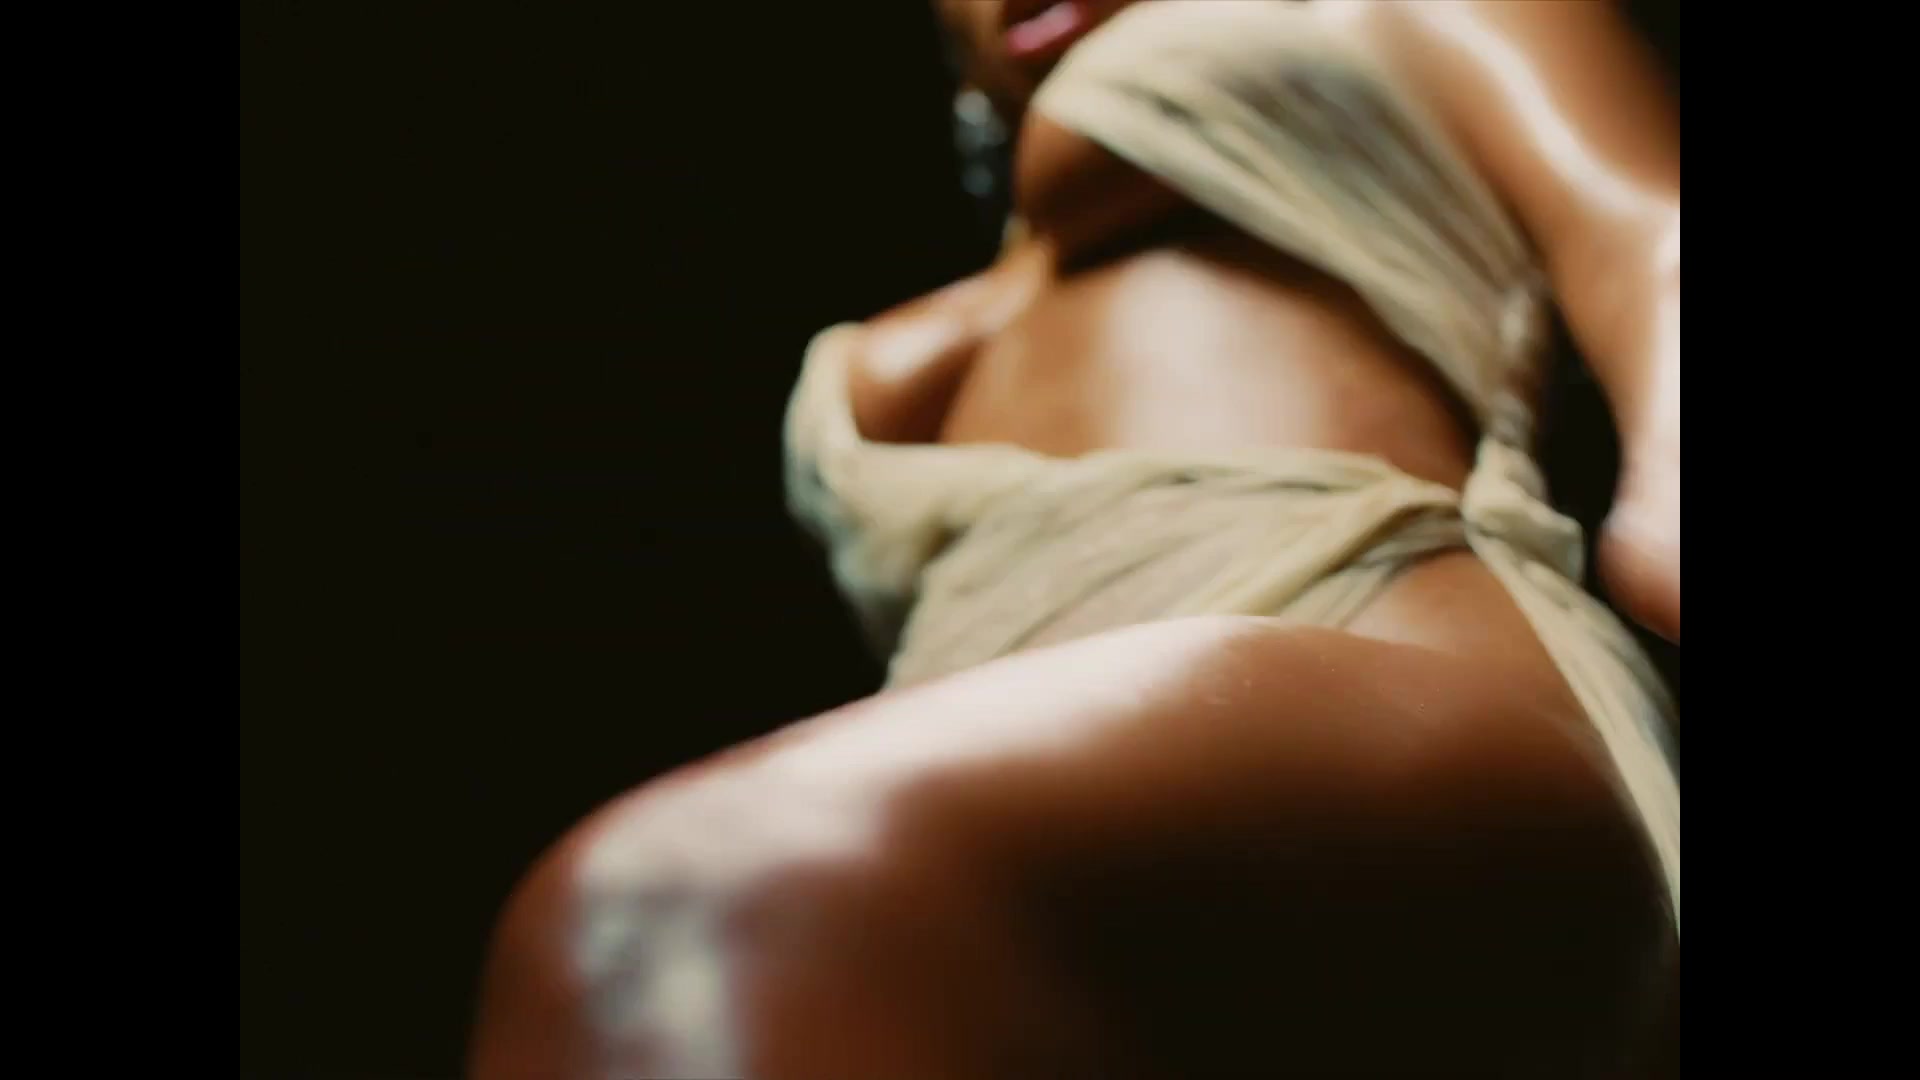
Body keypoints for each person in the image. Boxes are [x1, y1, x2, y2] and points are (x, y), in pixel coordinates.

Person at [470, 2, 1681, 1077]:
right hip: (1076, 872)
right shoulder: (939, 313)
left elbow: (1651, 237)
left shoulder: (1369, 12)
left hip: (1378, 673)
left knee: (686, 908)